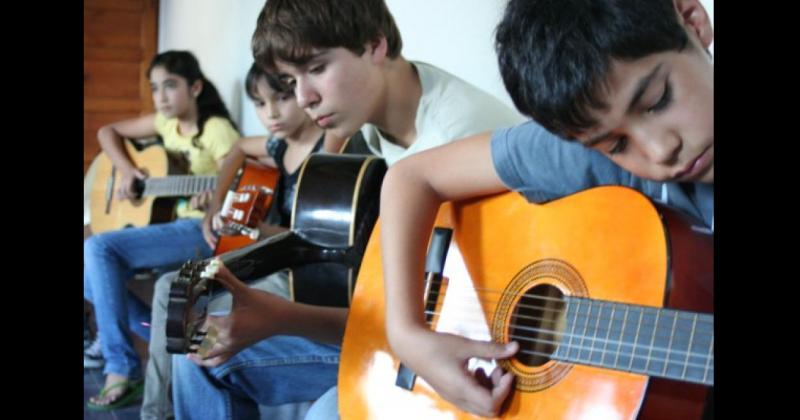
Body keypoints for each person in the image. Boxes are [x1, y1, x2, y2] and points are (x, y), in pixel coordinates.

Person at [170, 0, 526, 418]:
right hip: (411, 330)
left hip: (470, 352)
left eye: (317, 69)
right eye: (291, 78)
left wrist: (279, 317)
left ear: (376, 46)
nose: (304, 97)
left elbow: (446, 324)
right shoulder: (386, 113)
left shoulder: (454, 138)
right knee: (195, 353)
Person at [380, 0, 713, 416]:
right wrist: (407, 334)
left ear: (694, 22)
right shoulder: (588, 152)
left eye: (657, 99)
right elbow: (411, 178)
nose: (661, 150)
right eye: (617, 144)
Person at [140, 61, 326, 420]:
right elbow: (239, 147)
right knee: (171, 285)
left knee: (191, 304)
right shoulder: (278, 145)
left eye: (282, 98)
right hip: (270, 252)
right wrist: (214, 206)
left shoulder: (326, 147)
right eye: (258, 103)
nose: (270, 113)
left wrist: (253, 231)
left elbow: (310, 239)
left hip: (298, 268)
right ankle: (156, 412)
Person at [84, 50, 240, 411]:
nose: (161, 97)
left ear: (196, 87)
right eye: (155, 88)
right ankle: (159, 340)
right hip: (168, 224)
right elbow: (106, 132)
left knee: (98, 249)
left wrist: (215, 198)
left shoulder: (216, 130)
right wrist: (126, 171)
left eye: (170, 86)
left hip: (196, 230)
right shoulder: (165, 124)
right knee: (87, 271)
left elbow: (237, 181)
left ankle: (121, 367)